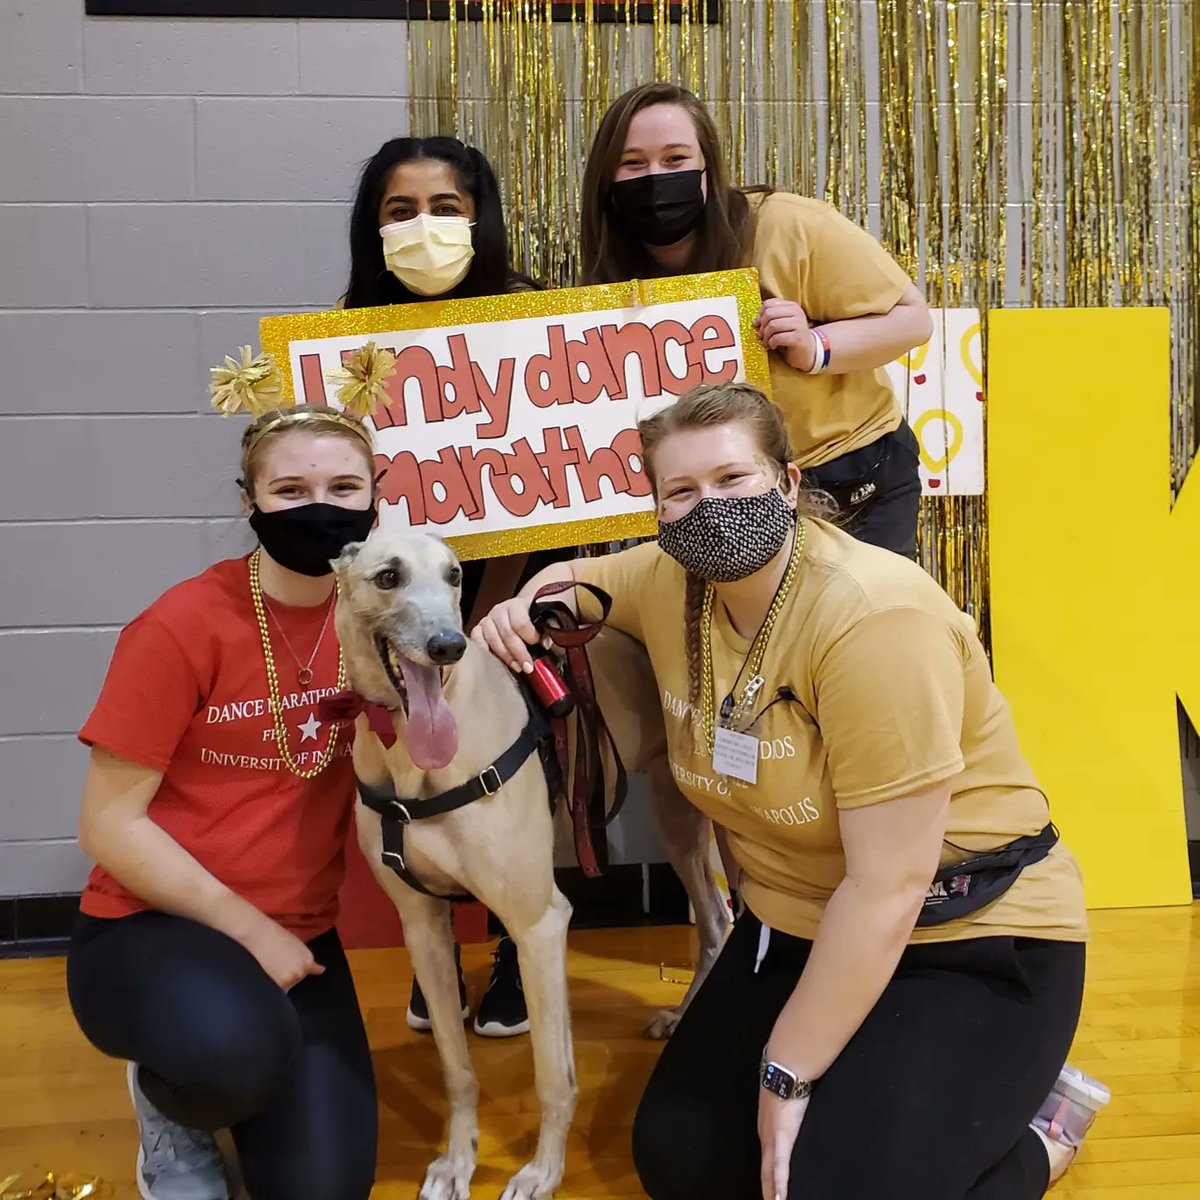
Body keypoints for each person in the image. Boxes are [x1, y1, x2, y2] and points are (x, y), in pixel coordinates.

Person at [475, 381, 1111, 1199]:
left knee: (827, 1183)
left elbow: (889, 886)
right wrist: (527, 605)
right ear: (658, 512)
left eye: (731, 479)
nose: (707, 508)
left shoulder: (873, 619)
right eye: (680, 491)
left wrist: (786, 1076)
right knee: (682, 1161)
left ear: (788, 482)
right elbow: (581, 580)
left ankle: (1039, 1137)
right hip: (796, 921)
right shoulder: (668, 579)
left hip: (963, 930)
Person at [66, 400, 380, 1200]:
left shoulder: (378, 620)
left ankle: (239, 1060)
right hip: (149, 928)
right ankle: (169, 1105)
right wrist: (252, 931)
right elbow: (107, 824)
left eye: (345, 486)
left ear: (379, 493)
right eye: (289, 490)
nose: (320, 507)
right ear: (249, 502)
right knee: (226, 1057)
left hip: (298, 931)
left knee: (325, 1188)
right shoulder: (181, 625)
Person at [342, 133, 554, 1038]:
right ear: (374, 226)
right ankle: (439, 955)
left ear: (480, 217)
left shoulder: (540, 314)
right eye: (400, 211)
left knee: (530, 766)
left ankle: (517, 943)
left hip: (517, 580)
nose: (423, 226)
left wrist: (518, 601)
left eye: (445, 208)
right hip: (407, 587)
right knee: (417, 782)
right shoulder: (348, 331)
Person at [581, 82, 933, 559]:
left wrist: (816, 345)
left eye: (676, 159)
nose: (655, 176)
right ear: (606, 178)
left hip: (846, 469)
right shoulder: (610, 275)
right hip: (720, 493)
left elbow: (911, 320)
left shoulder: (790, 225)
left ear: (708, 165)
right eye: (633, 163)